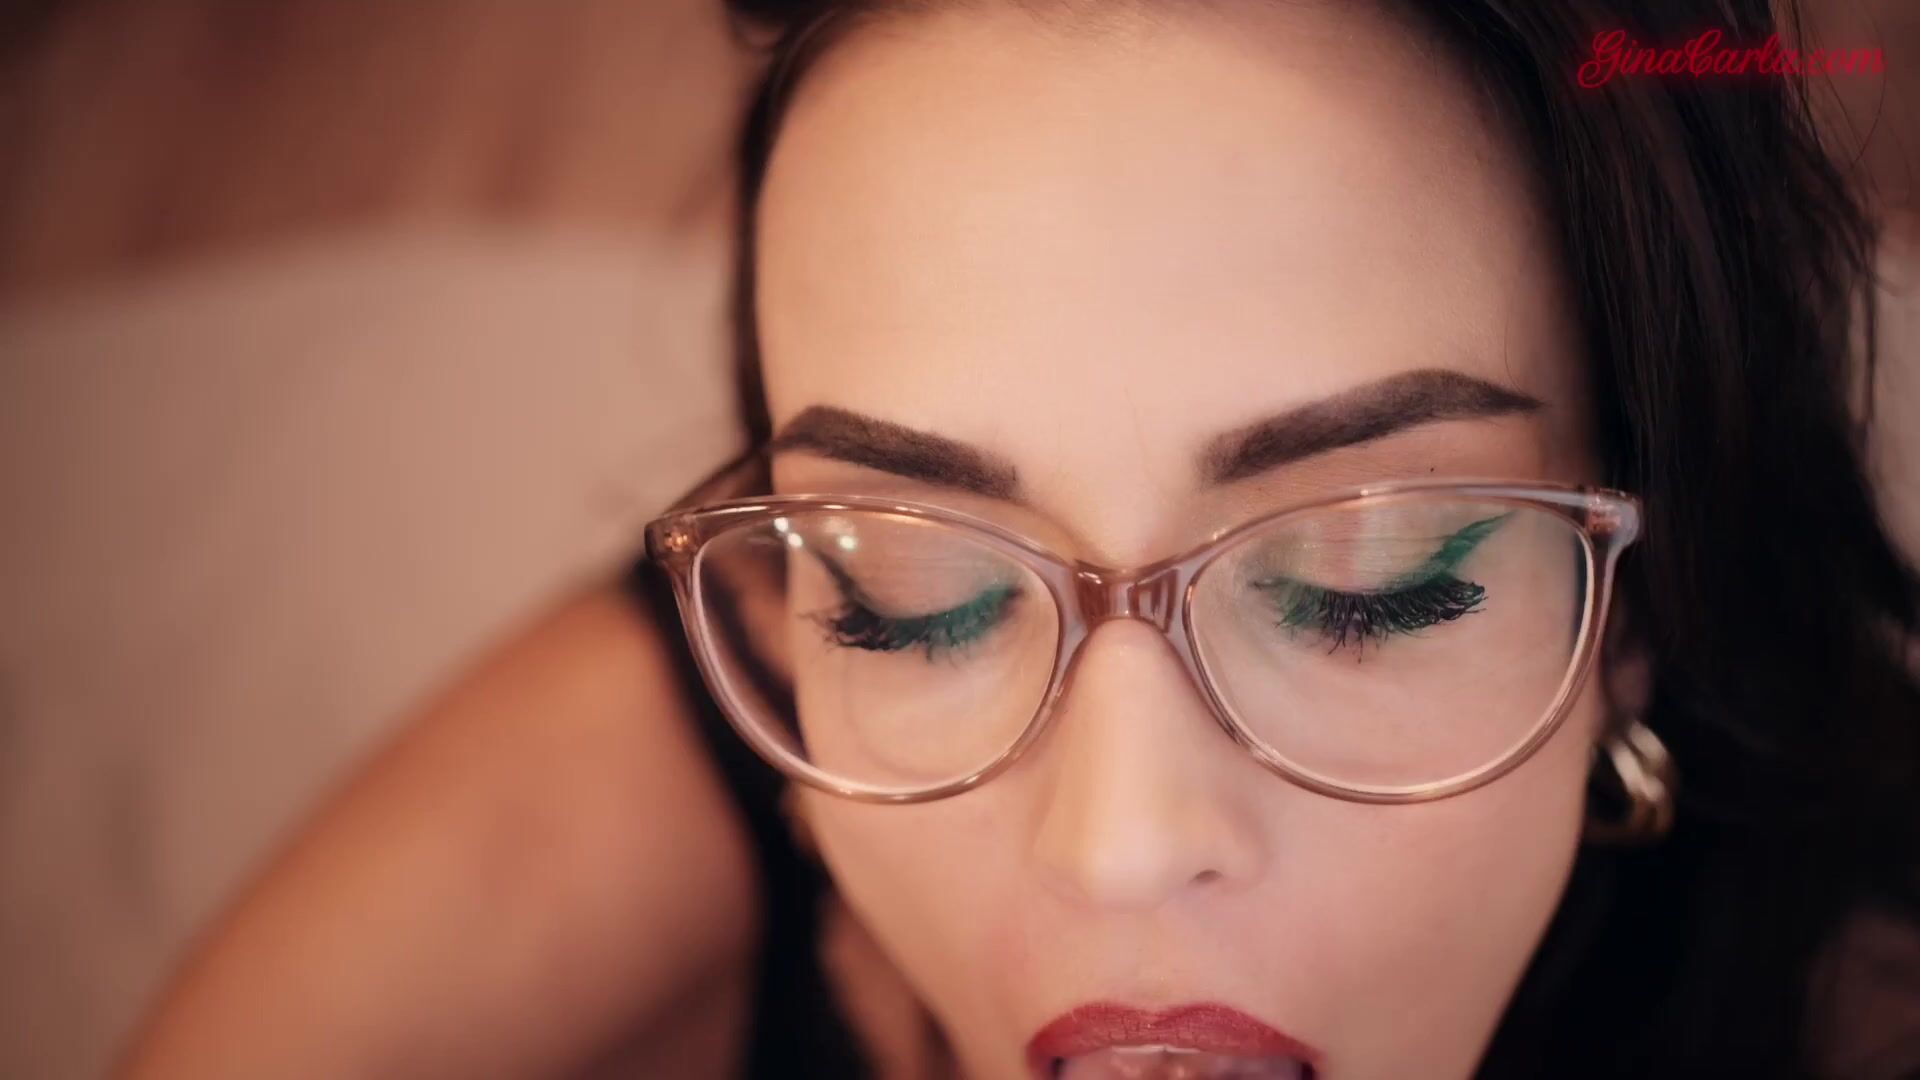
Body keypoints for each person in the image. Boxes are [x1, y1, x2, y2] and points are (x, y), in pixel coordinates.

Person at [120, 0, 1920, 1077]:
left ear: (1636, 609)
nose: (1120, 844)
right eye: (917, 601)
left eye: (1366, 585)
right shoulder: (706, 719)